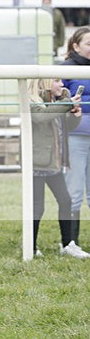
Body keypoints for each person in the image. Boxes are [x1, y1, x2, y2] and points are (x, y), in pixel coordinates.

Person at [28, 78, 89, 258]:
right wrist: (66, 103)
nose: (62, 85)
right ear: (45, 83)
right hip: (37, 163)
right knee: (37, 207)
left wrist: (74, 116)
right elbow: (41, 117)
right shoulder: (32, 101)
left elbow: (66, 127)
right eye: (56, 81)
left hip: (53, 163)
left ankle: (68, 244)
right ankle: (30, 247)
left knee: (66, 201)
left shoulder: (57, 102)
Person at [61, 27, 90, 245]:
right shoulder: (65, 70)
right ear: (76, 46)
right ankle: (70, 242)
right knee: (74, 192)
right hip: (76, 137)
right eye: (89, 44)